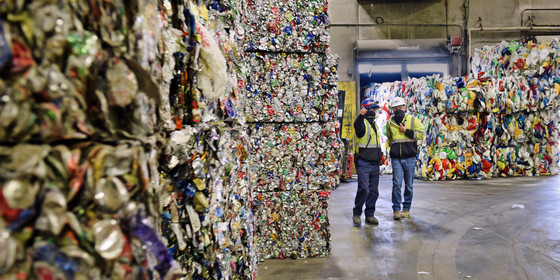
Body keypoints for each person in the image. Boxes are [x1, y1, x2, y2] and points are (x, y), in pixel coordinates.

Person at [386, 97, 425, 220]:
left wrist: (406, 131)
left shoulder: (414, 120)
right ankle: (396, 209)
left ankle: (406, 209)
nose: (398, 110)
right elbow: (389, 137)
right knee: (396, 184)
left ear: (405, 107)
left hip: (410, 157)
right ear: (392, 109)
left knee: (408, 185)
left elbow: (420, 135)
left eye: (400, 107)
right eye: (395, 108)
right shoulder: (389, 123)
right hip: (396, 158)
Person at [352, 97, 382, 226]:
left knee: (374, 191)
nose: (376, 112)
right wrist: (360, 116)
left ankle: (370, 214)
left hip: (374, 163)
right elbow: (357, 126)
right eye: (374, 109)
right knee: (364, 189)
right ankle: (357, 213)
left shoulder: (374, 124)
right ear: (367, 110)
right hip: (363, 162)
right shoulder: (362, 124)